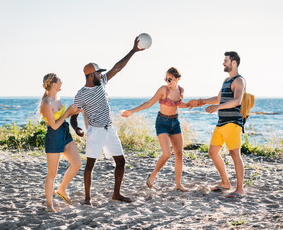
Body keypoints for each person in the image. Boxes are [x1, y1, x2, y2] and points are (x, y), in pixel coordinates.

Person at [70, 37, 144, 205]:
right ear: (90, 75)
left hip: (109, 129)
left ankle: (116, 194)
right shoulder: (81, 94)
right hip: (95, 131)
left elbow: (117, 68)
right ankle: (87, 199)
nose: (101, 74)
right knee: (90, 165)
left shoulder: (102, 83)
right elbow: (73, 117)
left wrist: (133, 51)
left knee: (121, 161)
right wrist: (77, 129)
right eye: (98, 72)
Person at [187, 51, 246, 198]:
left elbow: (237, 101)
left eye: (225, 60)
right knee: (213, 152)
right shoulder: (226, 80)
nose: (223, 63)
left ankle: (240, 189)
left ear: (234, 63)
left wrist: (218, 107)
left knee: (235, 155)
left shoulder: (239, 81)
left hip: (233, 123)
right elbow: (217, 98)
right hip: (221, 123)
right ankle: (225, 183)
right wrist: (201, 102)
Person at [122, 67, 189, 192]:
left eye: (170, 79)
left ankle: (178, 184)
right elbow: (149, 103)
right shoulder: (163, 90)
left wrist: (195, 104)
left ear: (177, 79)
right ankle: (152, 176)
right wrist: (132, 111)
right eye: (166, 78)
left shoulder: (181, 90)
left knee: (179, 154)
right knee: (167, 154)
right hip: (162, 122)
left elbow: (180, 104)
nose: (167, 81)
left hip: (175, 122)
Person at [40, 73, 82, 212]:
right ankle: (49, 205)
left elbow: (62, 119)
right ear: (53, 84)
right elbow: (53, 126)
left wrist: (73, 112)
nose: (61, 82)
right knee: (52, 174)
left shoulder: (57, 98)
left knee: (77, 163)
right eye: (59, 80)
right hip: (54, 136)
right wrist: (67, 113)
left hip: (64, 133)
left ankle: (62, 189)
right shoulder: (46, 103)